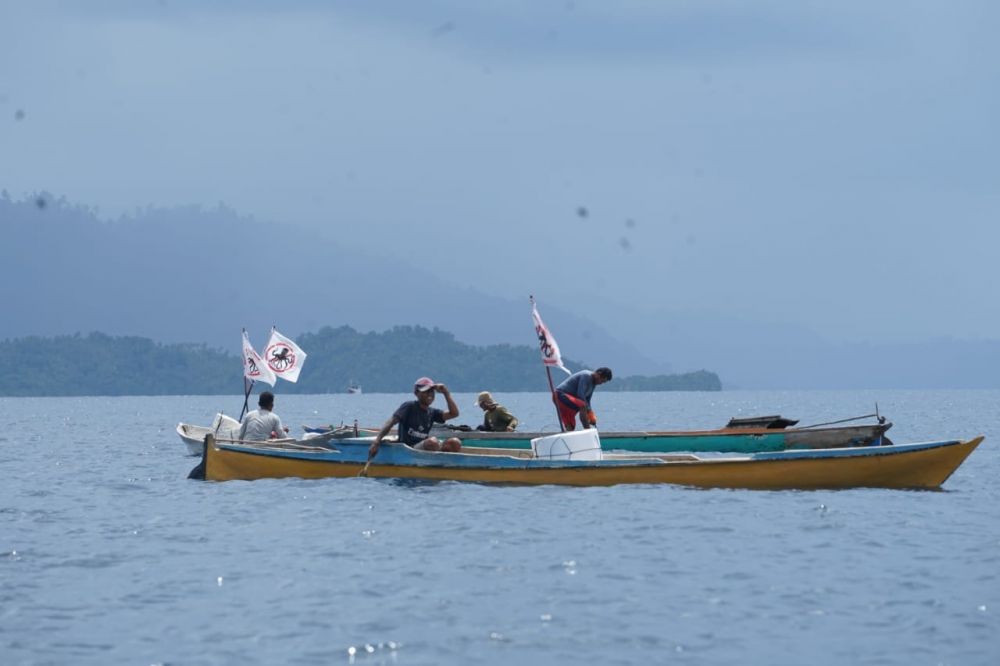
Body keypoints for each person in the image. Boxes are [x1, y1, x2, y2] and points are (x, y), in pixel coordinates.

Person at [369, 377, 462, 458]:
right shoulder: (409, 406)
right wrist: (377, 442)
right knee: (432, 442)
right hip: (409, 449)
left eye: (431, 391)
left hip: (424, 447)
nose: (429, 394)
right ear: (416, 393)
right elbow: (391, 422)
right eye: (425, 391)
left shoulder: (432, 412)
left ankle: (443, 464)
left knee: (455, 442)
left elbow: (454, 413)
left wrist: (446, 393)